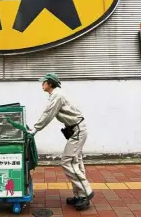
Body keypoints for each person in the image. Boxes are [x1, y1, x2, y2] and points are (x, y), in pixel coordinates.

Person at [28, 73, 94, 211]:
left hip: (77, 130)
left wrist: (35, 129)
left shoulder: (57, 95)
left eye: (44, 82)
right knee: (75, 161)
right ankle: (79, 195)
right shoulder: (56, 94)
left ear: (50, 83)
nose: (42, 84)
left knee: (67, 161)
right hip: (76, 130)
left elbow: (48, 113)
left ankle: (86, 192)